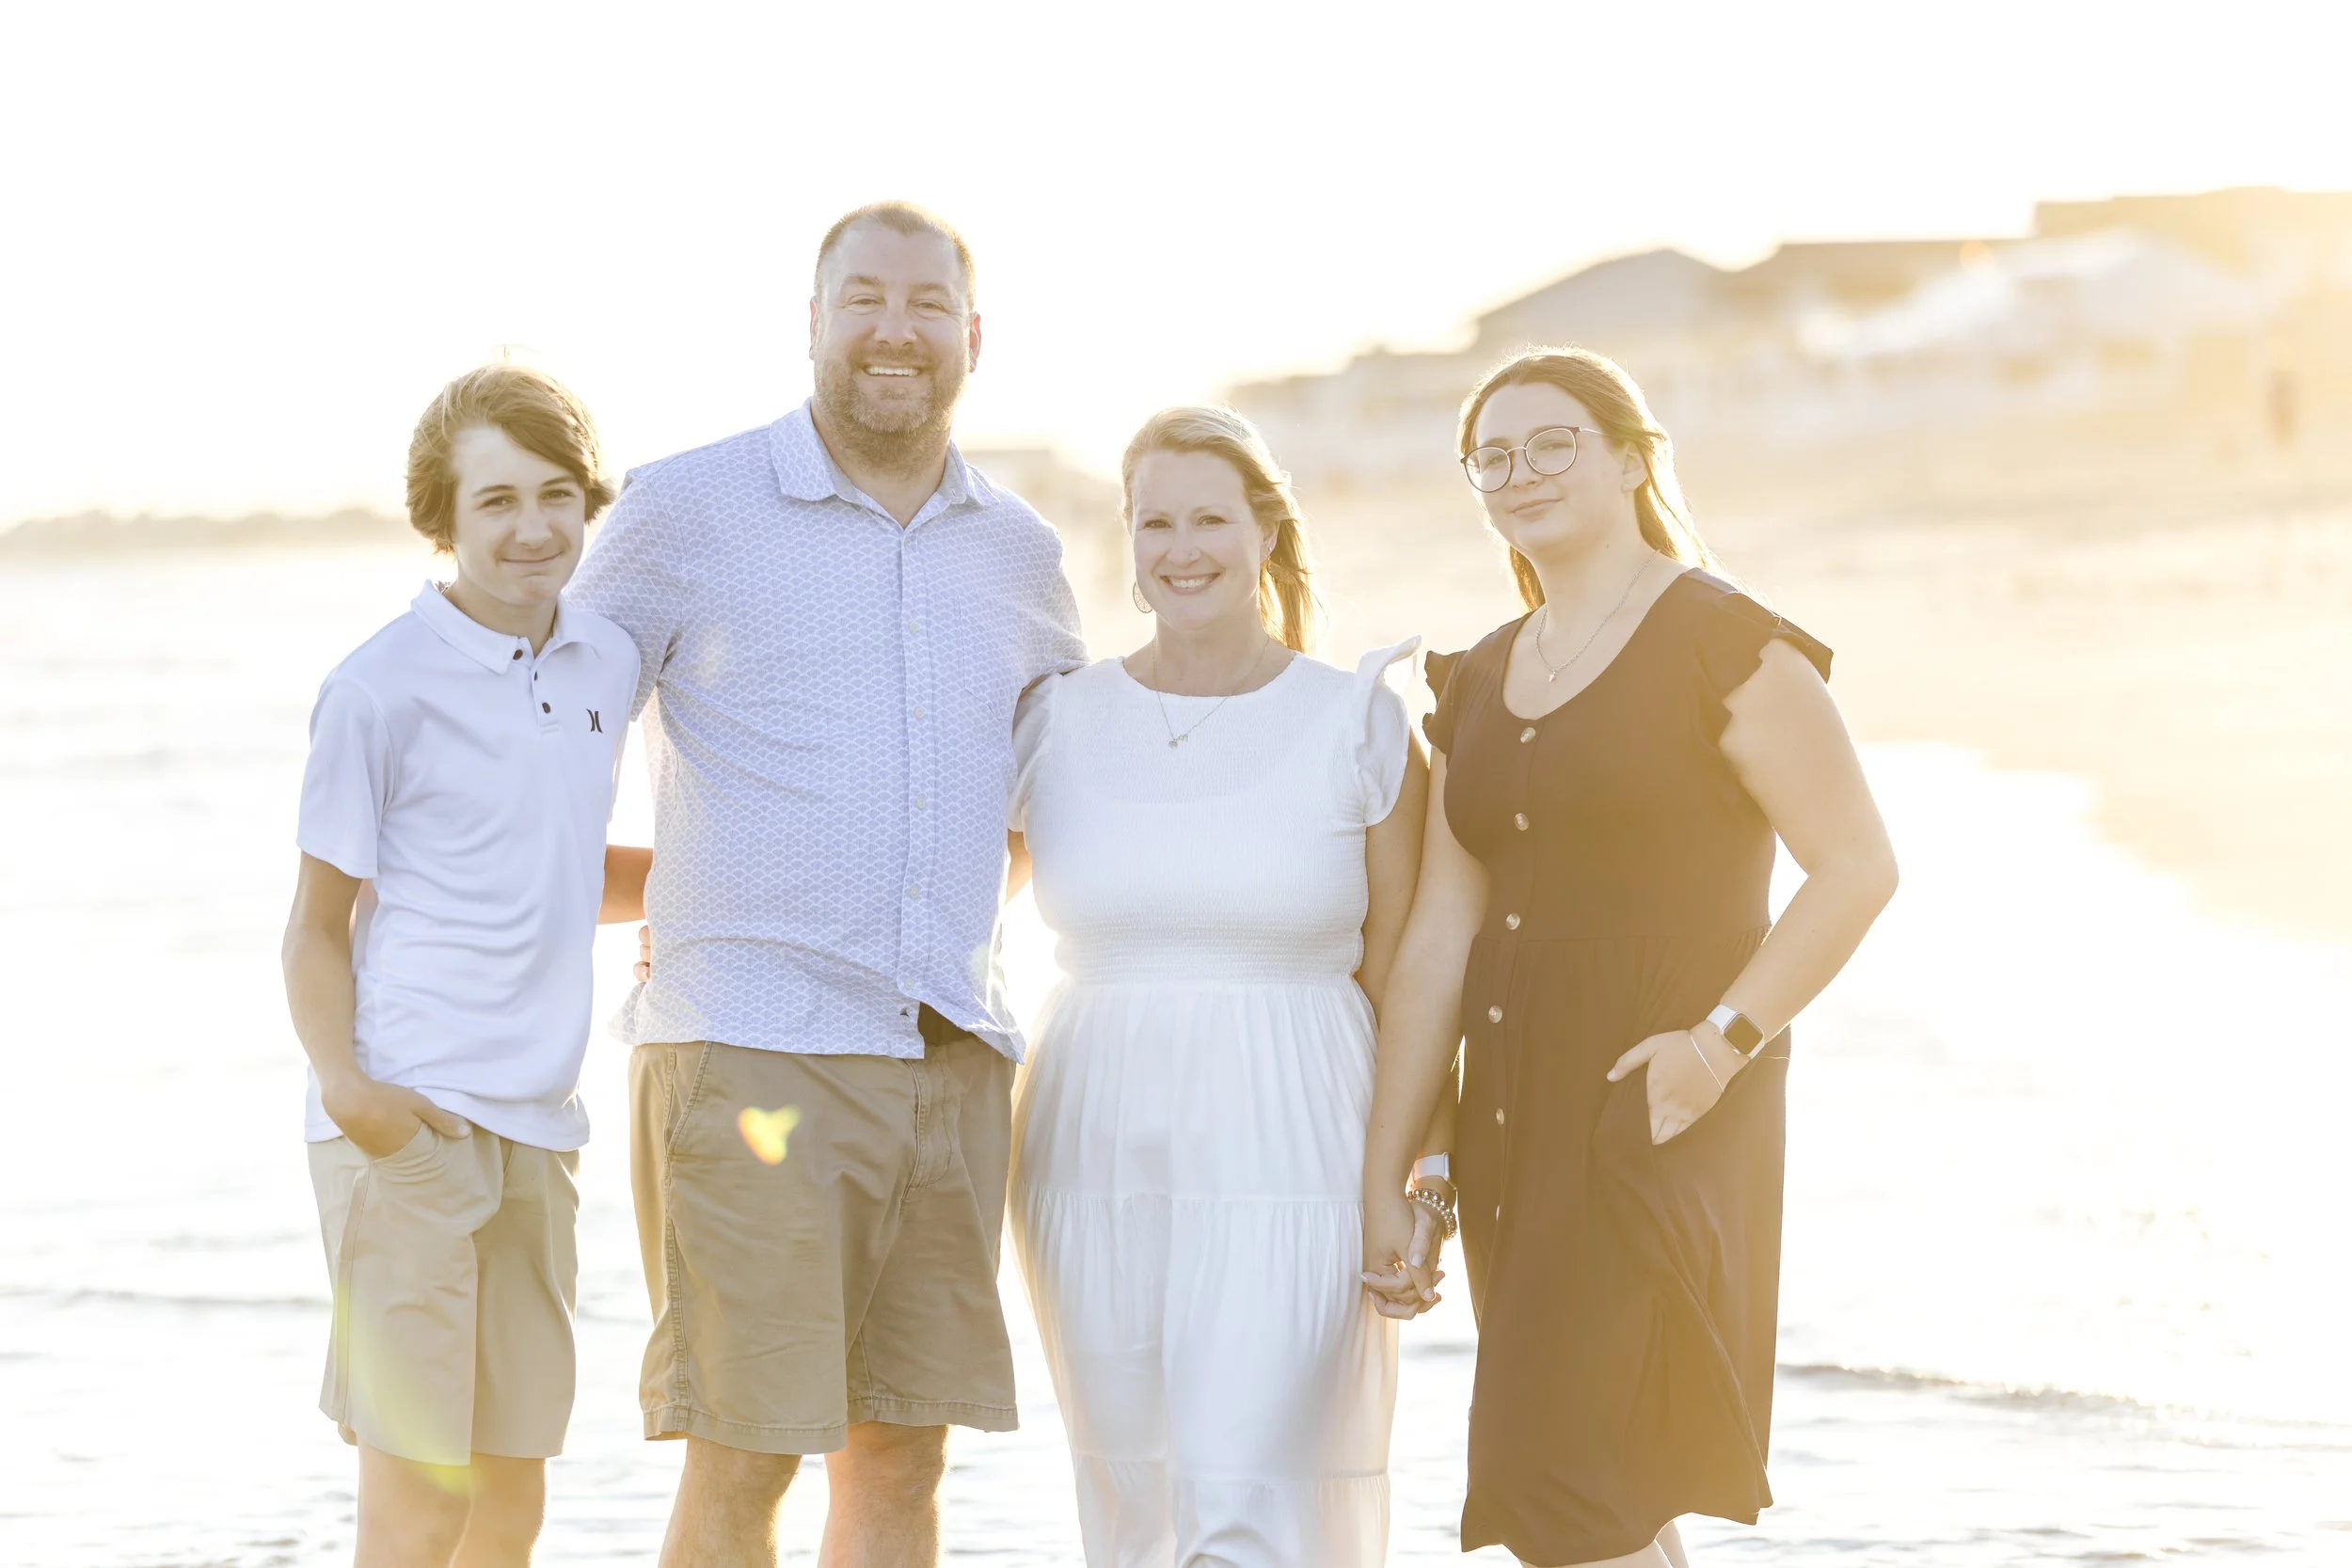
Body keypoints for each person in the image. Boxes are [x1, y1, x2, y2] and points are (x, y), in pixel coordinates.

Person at [565, 201, 1086, 1568]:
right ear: (811, 322)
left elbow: (1044, 805)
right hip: (753, 1056)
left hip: (954, 1059)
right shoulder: (682, 509)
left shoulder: (1021, 552)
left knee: (906, 1461)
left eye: (926, 304)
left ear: (973, 337)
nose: (894, 329)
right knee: (747, 1454)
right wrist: (676, 911)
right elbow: (539, 766)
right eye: (863, 298)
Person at [1359, 348, 1899, 1568]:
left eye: (1553, 443)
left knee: (1568, 1488)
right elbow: (1442, 939)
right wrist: (1397, 1156)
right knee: (1599, 1492)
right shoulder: (1478, 678)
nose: (1521, 473)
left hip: (1662, 1105)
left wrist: (1720, 1046)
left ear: (1630, 456)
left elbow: (1859, 867)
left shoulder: (1729, 643)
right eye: (1491, 456)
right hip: (1511, 1116)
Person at [1005, 406, 1439, 1566]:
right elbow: (937, 907)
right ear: (1130, 544)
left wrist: (1420, 1171)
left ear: (1265, 536)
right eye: (1156, 521)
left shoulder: (1357, 719)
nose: (1181, 545)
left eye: (1210, 518)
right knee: (1129, 1499)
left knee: (1252, 1498)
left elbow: (1406, 974)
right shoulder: (1055, 718)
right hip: (1086, 1134)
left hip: (1297, 1129)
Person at [281, 364, 641, 1566]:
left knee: (510, 1509)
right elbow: (315, 924)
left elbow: (554, 868)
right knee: (420, 1505)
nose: (532, 528)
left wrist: (734, 893)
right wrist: (353, 1092)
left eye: (554, 494)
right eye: (496, 501)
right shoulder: (376, 688)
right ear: (444, 518)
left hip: (542, 1131)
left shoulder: (603, 662)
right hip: (413, 1124)